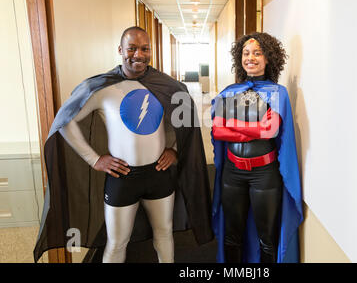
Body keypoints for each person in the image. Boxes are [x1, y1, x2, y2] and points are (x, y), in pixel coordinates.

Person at [34, 26, 213, 263]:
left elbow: (187, 121)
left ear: (151, 51)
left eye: (144, 49)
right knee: (117, 242)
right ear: (120, 50)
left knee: (164, 234)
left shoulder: (166, 86)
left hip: (158, 174)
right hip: (122, 177)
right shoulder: (102, 88)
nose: (138, 54)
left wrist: (175, 150)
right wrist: (94, 159)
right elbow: (66, 122)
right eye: (132, 48)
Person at [211, 32, 304, 263]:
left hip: (265, 175)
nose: (250, 58)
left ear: (268, 58)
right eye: (245, 53)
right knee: (232, 237)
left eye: (257, 53)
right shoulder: (230, 91)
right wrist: (252, 128)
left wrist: (233, 125)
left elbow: (270, 131)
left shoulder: (277, 92)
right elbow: (217, 131)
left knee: (267, 240)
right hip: (233, 174)